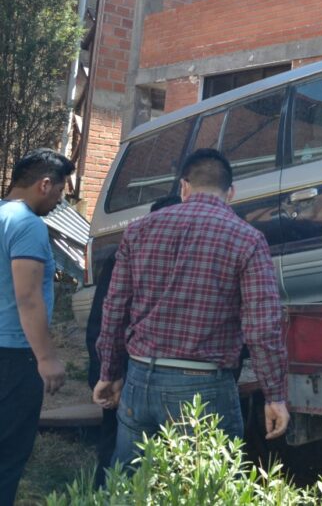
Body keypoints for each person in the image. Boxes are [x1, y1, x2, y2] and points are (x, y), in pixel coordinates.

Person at [93, 148, 289, 470]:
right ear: (231, 193)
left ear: (183, 187)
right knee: (204, 490)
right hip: (204, 387)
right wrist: (275, 395)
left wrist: (109, 372)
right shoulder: (248, 239)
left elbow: (114, 308)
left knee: (130, 489)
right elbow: (262, 327)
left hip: (140, 378)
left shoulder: (138, 231)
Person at [85, 193, 180, 486]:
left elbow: (101, 319)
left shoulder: (137, 250)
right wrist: (110, 372)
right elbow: (107, 316)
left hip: (130, 365)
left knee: (122, 448)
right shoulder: (132, 252)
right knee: (117, 446)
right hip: (126, 367)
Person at [0, 148, 75, 505]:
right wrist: (46, 358)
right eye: (60, 192)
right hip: (14, 356)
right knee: (8, 453)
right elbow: (27, 296)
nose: (59, 201)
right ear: (45, 184)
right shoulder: (27, 225)